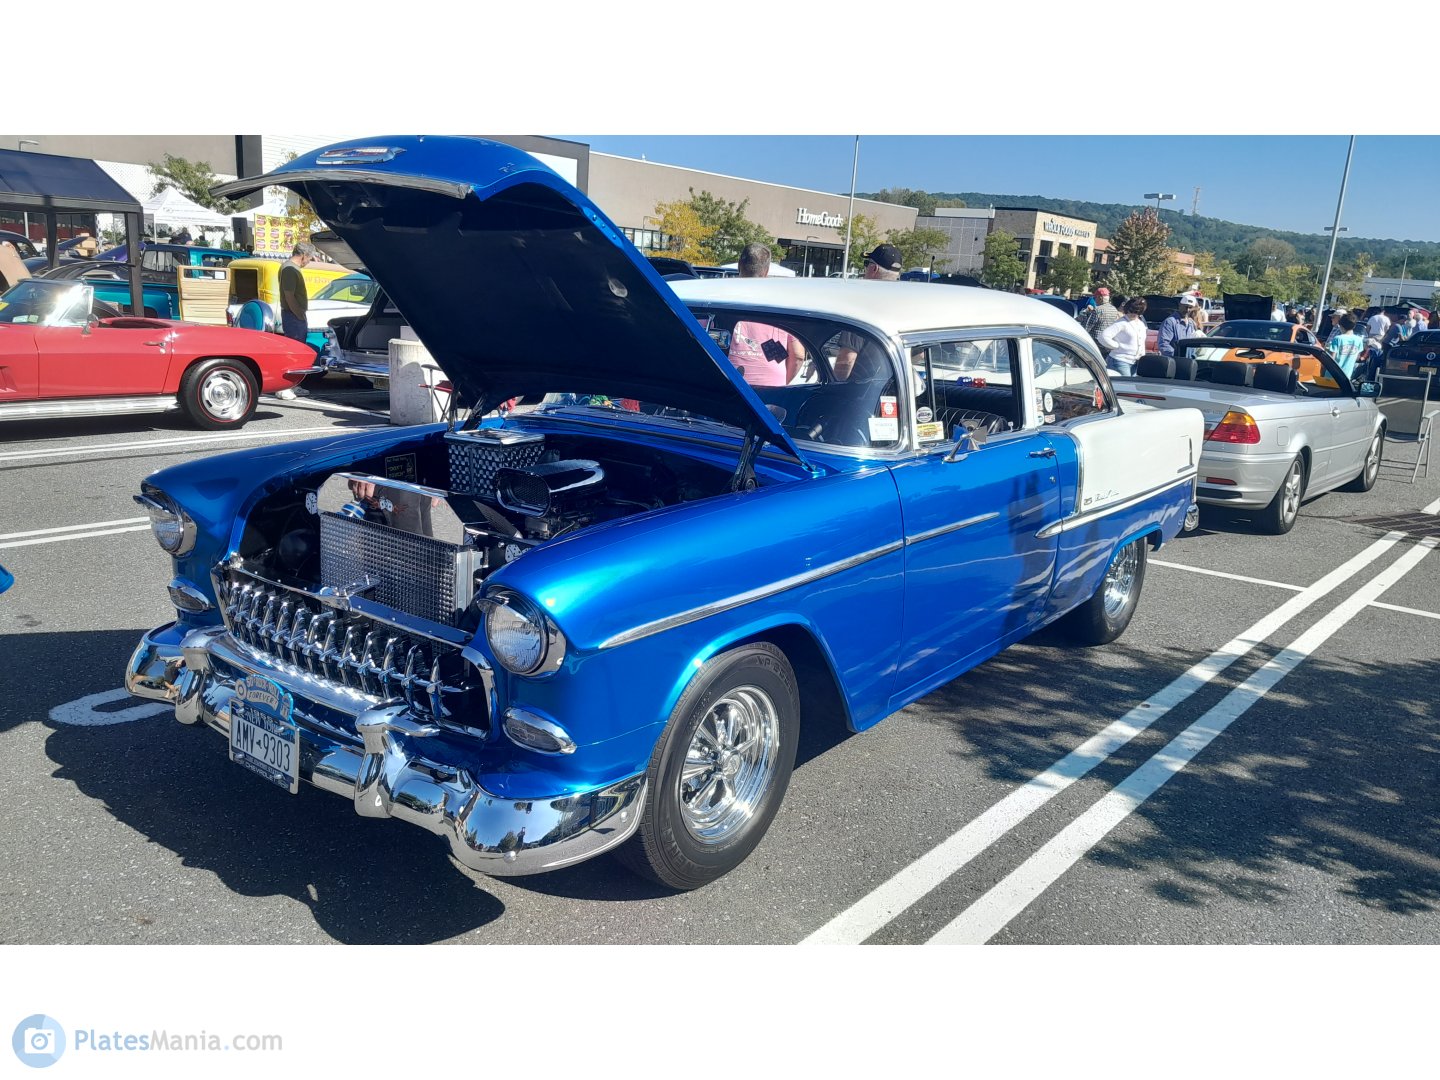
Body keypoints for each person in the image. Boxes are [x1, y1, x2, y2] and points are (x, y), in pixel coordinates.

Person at [729, 243, 805, 386]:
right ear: (766, 271)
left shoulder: (720, 297)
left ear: (739, 265)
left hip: (729, 383)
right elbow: (799, 356)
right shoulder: (782, 304)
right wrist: (782, 382)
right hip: (771, 385)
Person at [277, 240, 319, 400]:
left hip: (293, 314)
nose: (309, 262)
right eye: (310, 258)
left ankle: (293, 385)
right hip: (293, 315)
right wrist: (299, 314)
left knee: (296, 350)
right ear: (304, 255)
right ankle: (286, 386)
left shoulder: (288, 267)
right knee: (295, 351)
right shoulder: (289, 269)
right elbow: (289, 295)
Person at [1098, 297, 1148, 376]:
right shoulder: (1121, 323)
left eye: (1137, 312)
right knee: (1126, 386)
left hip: (1135, 362)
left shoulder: (1141, 324)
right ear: (1127, 310)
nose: (1133, 314)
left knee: (1130, 386)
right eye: (1131, 311)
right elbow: (1103, 337)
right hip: (1119, 360)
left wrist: (1142, 356)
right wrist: (1116, 346)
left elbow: (1142, 343)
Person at [1077, 285, 1120, 355]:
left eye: (1095, 297)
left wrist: (1086, 313)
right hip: (1107, 344)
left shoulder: (1097, 310)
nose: (1094, 299)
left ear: (1100, 298)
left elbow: (1087, 327)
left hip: (1095, 344)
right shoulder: (1114, 309)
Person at [1326, 314, 1366, 379]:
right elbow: (1357, 357)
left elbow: (1331, 359)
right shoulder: (1359, 340)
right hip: (1347, 375)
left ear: (1340, 326)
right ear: (1354, 326)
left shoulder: (1338, 339)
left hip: (1332, 375)